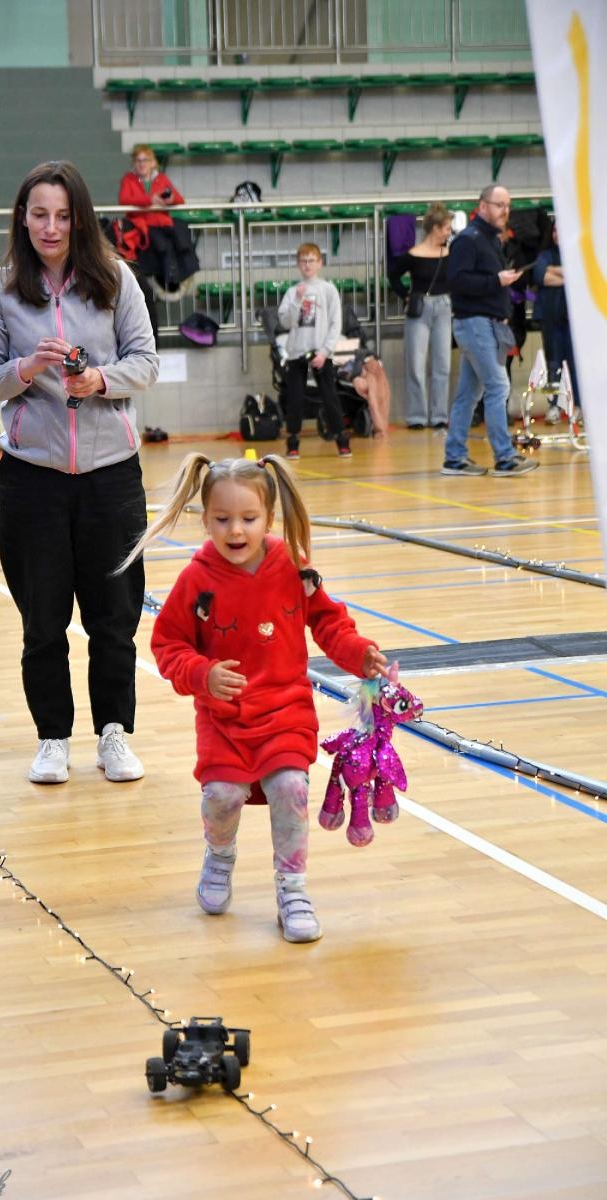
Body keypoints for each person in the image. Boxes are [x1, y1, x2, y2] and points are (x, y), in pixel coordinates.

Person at [121, 454, 387, 943]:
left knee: (290, 789)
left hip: (286, 711)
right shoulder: (196, 579)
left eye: (248, 519)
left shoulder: (293, 567)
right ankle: (219, 856)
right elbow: (167, 645)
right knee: (221, 796)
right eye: (222, 519)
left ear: (269, 518)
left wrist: (359, 654)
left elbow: (328, 622)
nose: (236, 530)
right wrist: (201, 673)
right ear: (205, 520)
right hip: (225, 720)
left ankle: (293, 887)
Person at [0, 160, 159, 786]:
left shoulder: (116, 279)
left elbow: (147, 363)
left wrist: (99, 379)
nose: (51, 227)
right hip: (33, 478)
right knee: (42, 620)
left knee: (114, 618)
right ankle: (53, 738)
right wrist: (25, 367)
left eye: (63, 215)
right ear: (22, 218)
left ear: (80, 219)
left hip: (111, 475)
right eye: (39, 214)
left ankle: (114, 734)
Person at [442, 184, 539, 477]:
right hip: (474, 323)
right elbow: (457, 282)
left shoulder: (489, 240)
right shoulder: (467, 241)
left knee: (470, 393)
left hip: (487, 323)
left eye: (508, 205)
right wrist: (496, 282)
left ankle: (455, 457)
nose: (505, 211)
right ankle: (505, 457)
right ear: (482, 206)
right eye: (499, 205)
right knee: (498, 386)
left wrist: (502, 286)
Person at [277, 243, 351, 460]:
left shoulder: (328, 290)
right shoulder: (292, 292)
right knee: (295, 398)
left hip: (320, 351)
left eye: (311, 260)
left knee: (330, 396)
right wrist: (297, 301)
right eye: (303, 261)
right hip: (296, 351)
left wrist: (325, 351)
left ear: (320, 263)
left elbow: (335, 323)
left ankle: (341, 438)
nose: (307, 265)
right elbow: (286, 322)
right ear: (298, 264)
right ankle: (293, 440)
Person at [388, 203, 452, 430]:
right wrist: (405, 296)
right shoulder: (413, 255)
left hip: (444, 305)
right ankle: (417, 416)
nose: (448, 232)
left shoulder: (449, 253)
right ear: (435, 228)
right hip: (420, 307)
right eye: (446, 228)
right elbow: (393, 275)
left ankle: (439, 415)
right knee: (415, 363)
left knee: (442, 363)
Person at [117, 145, 198, 300]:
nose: (142, 164)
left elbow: (179, 199)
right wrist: (150, 201)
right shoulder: (128, 179)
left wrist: (170, 199)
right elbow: (125, 200)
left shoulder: (161, 179)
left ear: (153, 162)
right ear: (134, 163)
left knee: (178, 239)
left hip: (162, 226)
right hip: (144, 227)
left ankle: (174, 277)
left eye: (145, 160)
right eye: (138, 160)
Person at [532, 220, 579, 423]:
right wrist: (568, 275)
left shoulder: (578, 253)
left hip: (572, 319)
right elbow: (542, 276)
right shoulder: (544, 255)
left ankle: (577, 405)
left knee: (575, 362)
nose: (557, 234)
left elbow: (580, 275)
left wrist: (556, 272)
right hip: (550, 318)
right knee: (553, 363)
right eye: (554, 230)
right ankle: (553, 406)